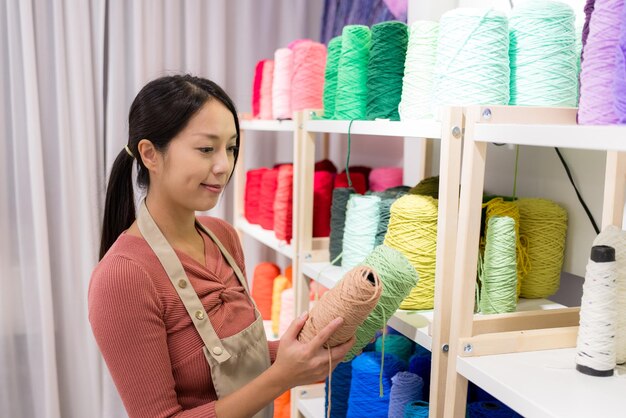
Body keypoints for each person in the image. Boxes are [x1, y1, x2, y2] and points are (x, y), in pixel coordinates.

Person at [88, 74, 354, 418]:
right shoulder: (122, 277)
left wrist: (304, 349)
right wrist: (282, 377)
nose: (224, 166)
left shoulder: (224, 238)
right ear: (150, 154)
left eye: (230, 148)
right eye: (206, 149)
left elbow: (238, 363)